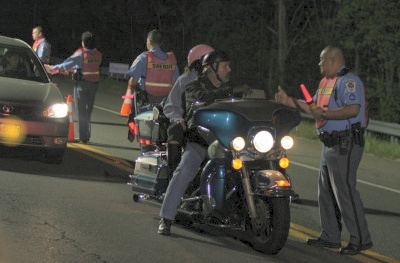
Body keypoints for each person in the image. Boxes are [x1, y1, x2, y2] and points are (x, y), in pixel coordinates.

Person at [274, 46, 372, 255]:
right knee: (326, 192)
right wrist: (289, 101)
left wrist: (324, 113)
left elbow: (353, 109)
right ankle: (330, 235)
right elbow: (314, 108)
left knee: (344, 191)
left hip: (345, 143)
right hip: (329, 144)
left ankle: (361, 239)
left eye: (321, 60)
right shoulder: (326, 83)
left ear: (333, 59)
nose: (319, 64)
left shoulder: (348, 81)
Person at [158, 50, 243, 235]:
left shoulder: (230, 87)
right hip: (201, 139)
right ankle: (166, 217)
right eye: (225, 66)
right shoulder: (193, 86)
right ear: (212, 69)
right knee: (185, 168)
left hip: (227, 142)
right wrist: (230, 93)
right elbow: (202, 98)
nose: (229, 69)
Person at [162, 44, 215, 179]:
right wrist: (178, 119)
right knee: (175, 130)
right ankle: (173, 176)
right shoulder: (184, 80)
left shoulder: (215, 81)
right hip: (187, 122)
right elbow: (171, 106)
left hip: (209, 124)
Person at [45, 32, 102, 144]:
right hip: (94, 84)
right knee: (88, 111)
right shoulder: (98, 54)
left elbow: (66, 64)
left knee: (81, 111)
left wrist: (53, 68)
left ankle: (83, 137)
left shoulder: (81, 53)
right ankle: (86, 135)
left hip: (82, 84)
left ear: (83, 42)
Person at [126, 29, 180, 107]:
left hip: (145, 101)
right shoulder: (171, 60)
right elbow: (176, 84)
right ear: (160, 43)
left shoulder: (143, 58)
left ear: (149, 41)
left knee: (133, 116)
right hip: (165, 102)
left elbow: (132, 82)